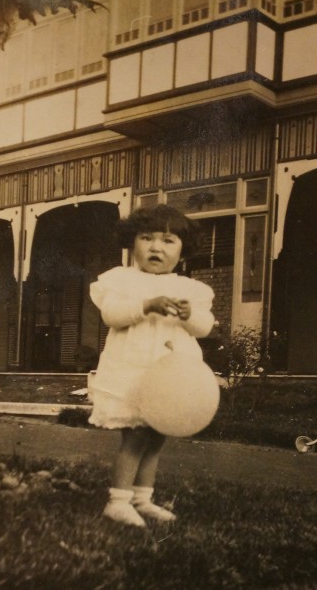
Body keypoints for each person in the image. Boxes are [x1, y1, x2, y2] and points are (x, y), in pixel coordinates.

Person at [89, 204, 215, 527]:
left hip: (170, 376)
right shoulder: (121, 281)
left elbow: (205, 327)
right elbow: (112, 315)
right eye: (147, 238)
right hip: (133, 371)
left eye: (168, 240)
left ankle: (142, 499)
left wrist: (190, 316)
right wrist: (146, 305)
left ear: (183, 251)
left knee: (157, 436)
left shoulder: (189, 289)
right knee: (136, 436)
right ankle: (118, 501)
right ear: (133, 243)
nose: (156, 247)